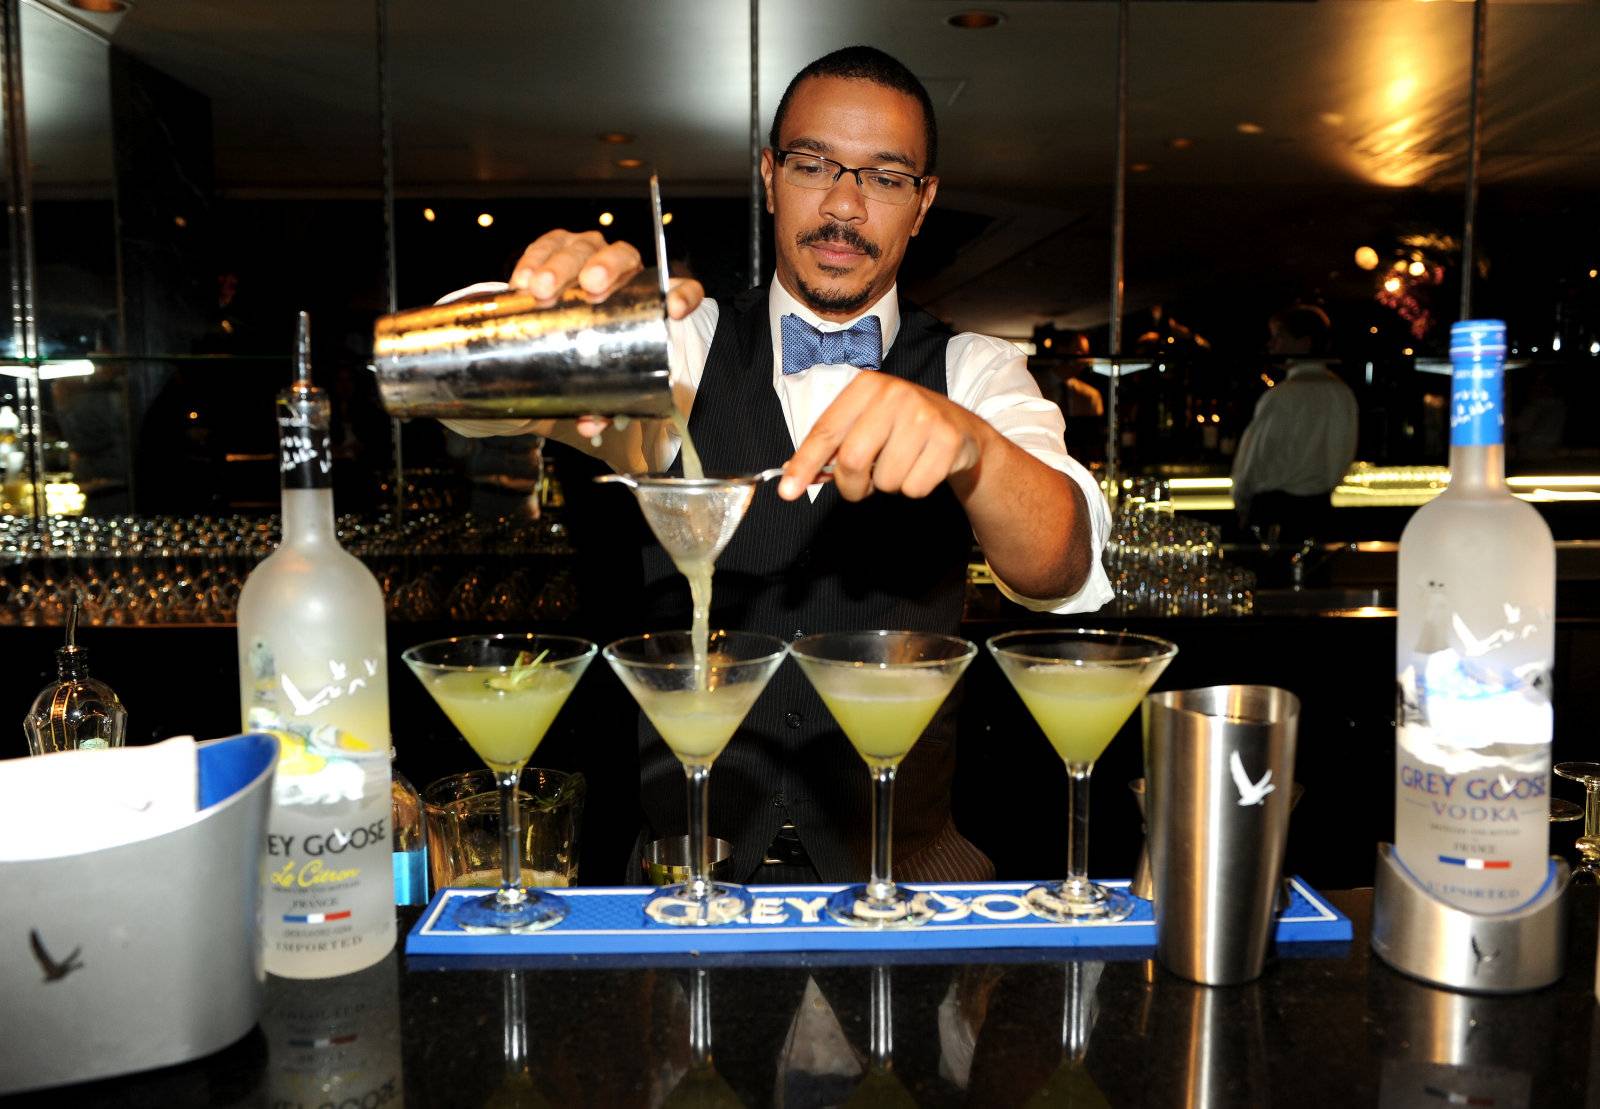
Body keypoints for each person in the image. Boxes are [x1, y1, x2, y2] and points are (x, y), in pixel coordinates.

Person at [446, 46, 1112, 883]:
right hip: (691, 875)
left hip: (910, 873)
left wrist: (974, 447)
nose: (843, 204)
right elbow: (463, 395)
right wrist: (541, 313)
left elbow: (1061, 566)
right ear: (769, 177)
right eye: (812, 164)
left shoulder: (974, 368)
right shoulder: (686, 345)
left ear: (922, 204)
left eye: (885, 177)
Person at [1229, 304, 1358, 544]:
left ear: (1304, 343)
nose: (1271, 345)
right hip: (1318, 508)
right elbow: (1343, 454)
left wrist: (1241, 501)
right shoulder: (1342, 393)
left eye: (1278, 337)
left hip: (1274, 510)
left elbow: (1253, 460)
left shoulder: (1282, 395)